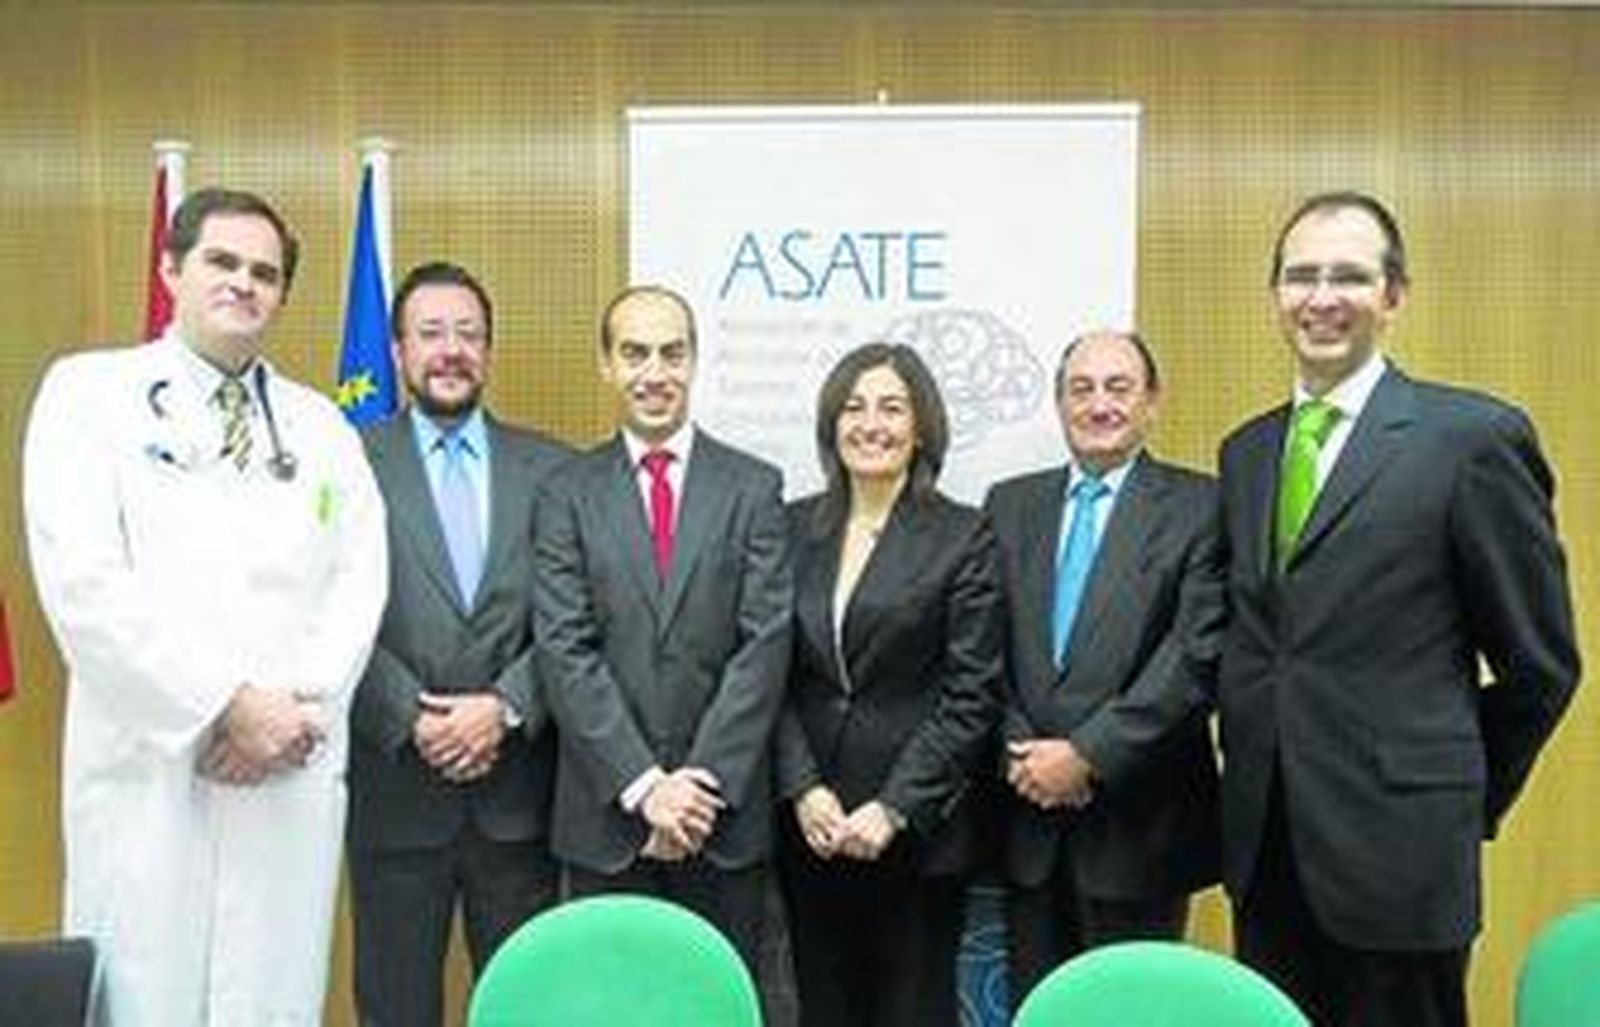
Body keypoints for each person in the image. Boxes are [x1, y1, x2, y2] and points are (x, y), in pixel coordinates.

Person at [21, 187, 388, 1027]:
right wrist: (222, 706)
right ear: (170, 269)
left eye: (265, 272)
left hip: (284, 773)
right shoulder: (87, 397)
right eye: (222, 261)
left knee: (273, 993)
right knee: (144, 995)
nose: (243, 284)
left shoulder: (322, 427)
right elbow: (84, 588)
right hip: (152, 771)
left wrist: (292, 715)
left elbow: (358, 582)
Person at [1213, 191, 1580, 1026]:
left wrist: (1451, 790)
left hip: (1403, 855)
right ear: (1275, 294)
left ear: (1394, 295)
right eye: (1301, 276)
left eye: (1349, 275)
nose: (1322, 296)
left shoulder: (1472, 439)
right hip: (1268, 849)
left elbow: (1542, 665)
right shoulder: (1247, 451)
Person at [532, 284, 792, 980]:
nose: (655, 372)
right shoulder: (566, 491)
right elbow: (564, 647)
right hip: (606, 818)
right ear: (606, 364)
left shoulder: (755, 487)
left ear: (695, 360)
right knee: (610, 1006)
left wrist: (696, 785)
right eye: (635, 353)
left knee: (717, 1005)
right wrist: (646, 785)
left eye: (672, 352)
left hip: (721, 819)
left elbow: (764, 646)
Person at [347, 261, 571, 1027]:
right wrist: (410, 711)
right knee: (394, 1006)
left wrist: (506, 705)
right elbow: (325, 614)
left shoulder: (557, 472)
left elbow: (578, 623)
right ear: (401, 351)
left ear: (490, 349)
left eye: (469, 334)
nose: (452, 350)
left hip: (520, 802)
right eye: (432, 333)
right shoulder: (345, 464)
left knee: (529, 1007)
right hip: (395, 791)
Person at [984, 329, 1221, 1011]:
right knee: (1037, 1010)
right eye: (1080, 388)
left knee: (1130, 1014)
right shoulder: (1009, 504)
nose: (1099, 405)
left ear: (1151, 402)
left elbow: (1195, 654)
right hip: (1025, 818)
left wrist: (1087, 754)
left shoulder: (1203, 506)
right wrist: (1023, 754)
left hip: (1139, 825)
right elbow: (979, 650)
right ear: (1059, 403)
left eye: (1118, 387)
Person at [775, 342, 1002, 1027]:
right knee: (821, 1007)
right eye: (854, 406)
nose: (871, 423)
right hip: (810, 827)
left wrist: (893, 807)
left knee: (912, 1009)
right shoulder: (789, 526)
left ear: (922, 426)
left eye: (892, 407)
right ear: (830, 423)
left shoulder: (964, 535)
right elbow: (768, 675)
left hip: (916, 833)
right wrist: (803, 786)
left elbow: (972, 693)